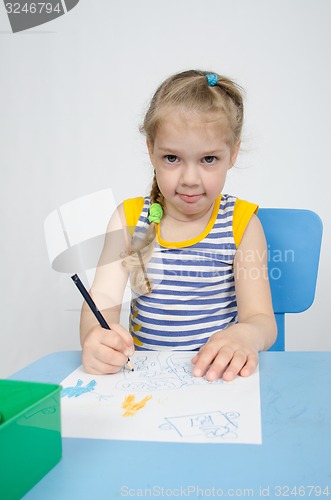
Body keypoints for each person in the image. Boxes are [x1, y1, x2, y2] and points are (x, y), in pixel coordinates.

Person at [80, 69, 277, 381]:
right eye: (172, 158)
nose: (189, 178)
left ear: (233, 153)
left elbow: (261, 318)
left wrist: (246, 336)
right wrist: (95, 338)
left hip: (218, 380)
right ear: (151, 150)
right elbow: (102, 300)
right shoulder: (129, 220)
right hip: (144, 381)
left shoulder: (242, 224)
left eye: (208, 159)